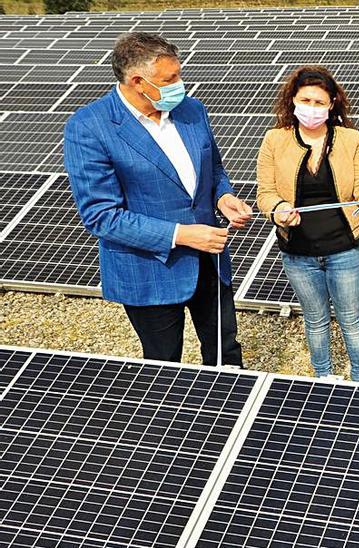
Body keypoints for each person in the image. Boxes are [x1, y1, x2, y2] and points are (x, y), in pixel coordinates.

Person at [64, 32, 251, 365]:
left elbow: (215, 169)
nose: (180, 84)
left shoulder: (192, 110)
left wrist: (223, 197)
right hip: (149, 267)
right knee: (163, 364)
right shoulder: (90, 127)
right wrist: (180, 234)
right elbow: (102, 215)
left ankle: (228, 412)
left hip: (210, 259)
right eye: (171, 78)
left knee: (226, 352)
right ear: (138, 81)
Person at [256, 66, 359, 382]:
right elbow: (265, 193)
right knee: (315, 319)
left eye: (319, 102)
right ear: (292, 100)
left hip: (345, 248)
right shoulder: (274, 140)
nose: (311, 108)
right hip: (298, 250)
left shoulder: (351, 139)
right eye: (305, 100)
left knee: (351, 318)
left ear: (332, 103)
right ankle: (323, 378)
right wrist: (278, 209)